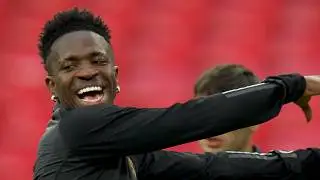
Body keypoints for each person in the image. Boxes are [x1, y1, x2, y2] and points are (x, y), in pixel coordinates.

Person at [33, 8, 320, 180]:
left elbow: (211, 167)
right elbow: (191, 118)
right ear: (52, 86)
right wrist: (292, 86)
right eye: (70, 66)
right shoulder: (77, 130)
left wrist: (310, 160)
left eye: (98, 61)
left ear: (115, 76)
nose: (86, 72)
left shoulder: (119, 151)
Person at [194, 64, 261, 153]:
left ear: (254, 120)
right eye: (202, 113)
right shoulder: (179, 166)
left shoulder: (280, 166)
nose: (209, 127)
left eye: (223, 113)